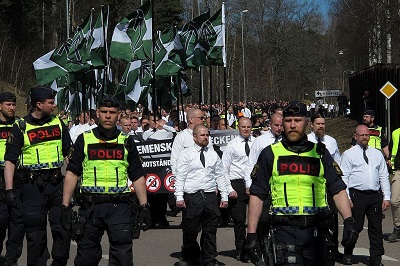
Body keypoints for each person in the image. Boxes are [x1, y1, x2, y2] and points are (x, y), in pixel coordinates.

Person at [245, 100, 358, 265]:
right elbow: (257, 193)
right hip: (284, 230)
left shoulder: (319, 153)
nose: (292, 125)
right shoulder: (270, 154)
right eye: (288, 120)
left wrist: (348, 220)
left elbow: (337, 188)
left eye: (297, 120)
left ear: (306, 122)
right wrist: (251, 234)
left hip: (317, 230)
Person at [61, 95, 151, 266]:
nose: (108, 116)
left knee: (123, 256)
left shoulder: (126, 141)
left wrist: (144, 206)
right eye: (104, 112)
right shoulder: (84, 139)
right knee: (86, 256)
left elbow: (137, 175)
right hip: (90, 207)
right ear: (97, 113)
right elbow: (72, 174)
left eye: (112, 112)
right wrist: (65, 206)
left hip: (120, 207)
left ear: (118, 114)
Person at [4, 86, 72, 266]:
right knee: (36, 235)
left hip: (56, 184)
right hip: (32, 187)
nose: (54, 105)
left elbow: (68, 154)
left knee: (63, 227)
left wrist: (76, 180)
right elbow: (10, 160)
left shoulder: (58, 123)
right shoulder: (20, 127)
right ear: (38, 105)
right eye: (51, 103)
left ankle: (59, 262)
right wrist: (9, 189)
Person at [175, 125, 228, 266]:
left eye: (207, 135)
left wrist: (224, 196)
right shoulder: (186, 154)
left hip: (210, 195)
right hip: (192, 197)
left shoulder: (213, 154)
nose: (206, 137)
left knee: (210, 230)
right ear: (194, 137)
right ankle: (188, 256)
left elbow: (220, 175)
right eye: (202, 135)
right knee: (190, 230)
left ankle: (209, 259)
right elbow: (180, 176)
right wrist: (179, 196)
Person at [340, 125, 391, 266]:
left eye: (367, 135)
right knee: (355, 226)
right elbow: (344, 178)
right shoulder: (348, 155)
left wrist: (386, 197)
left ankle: (376, 258)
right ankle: (348, 252)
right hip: (357, 195)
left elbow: (384, 176)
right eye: (361, 135)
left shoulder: (377, 154)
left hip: (374, 196)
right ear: (355, 136)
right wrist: (347, 198)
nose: (364, 137)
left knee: (376, 228)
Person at [307, 113, 342, 262]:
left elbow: (337, 162)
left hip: (329, 185)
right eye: (318, 124)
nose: (321, 126)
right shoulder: (307, 141)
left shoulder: (332, 141)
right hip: (313, 185)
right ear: (311, 125)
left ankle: (333, 248)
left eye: (323, 124)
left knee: (333, 217)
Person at [221, 117, 253, 262]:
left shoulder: (256, 143)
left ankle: (254, 247)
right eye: (243, 127)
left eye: (248, 127)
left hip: (254, 182)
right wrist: (229, 188)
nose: (246, 129)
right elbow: (224, 168)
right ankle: (240, 249)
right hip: (237, 183)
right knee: (239, 219)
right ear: (238, 127)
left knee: (257, 218)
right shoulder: (232, 145)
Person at [0, 92, 24, 266]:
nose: (12, 108)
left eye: (13, 105)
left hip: (17, 178)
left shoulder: (20, 125)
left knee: (17, 224)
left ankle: (11, 260)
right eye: (8, 104)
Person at [388, 126, 400, 242]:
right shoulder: (396, 132)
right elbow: (392, 149)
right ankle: (397, 226)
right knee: (394, 200)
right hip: (398, 171)